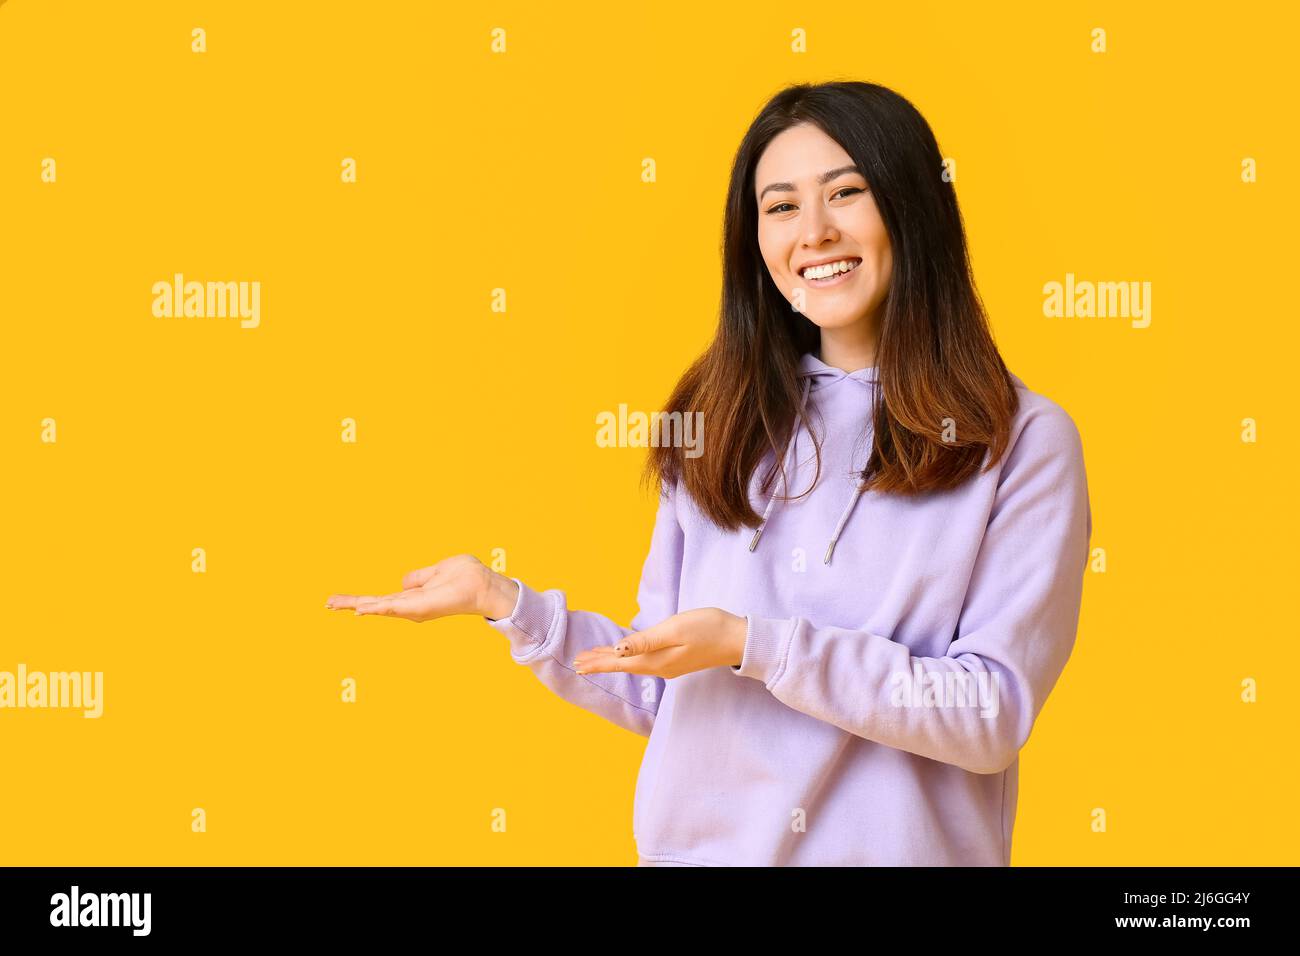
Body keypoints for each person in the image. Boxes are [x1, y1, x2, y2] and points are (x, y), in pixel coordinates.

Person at [325, 81, 1092, 866]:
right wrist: (506, 604)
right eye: (782, 207)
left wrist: (755, 644)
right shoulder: (721, 420)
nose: (815, 233)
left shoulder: (1021, 443)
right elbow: (666, 688)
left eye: (847, 193)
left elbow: (986, 715)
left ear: (911, 206)